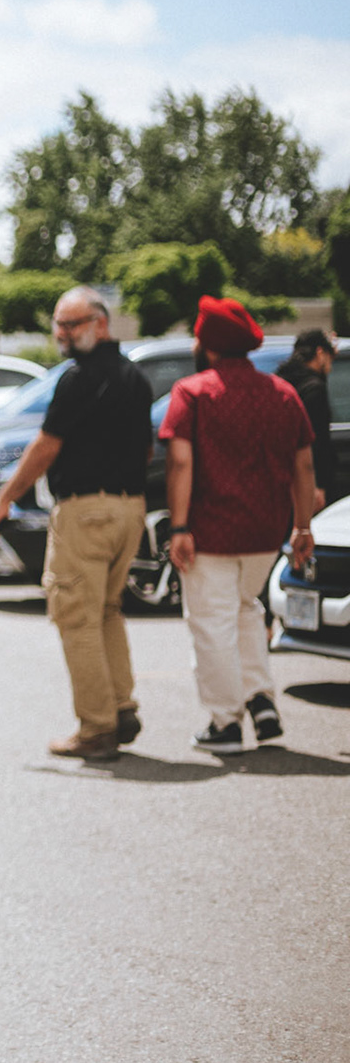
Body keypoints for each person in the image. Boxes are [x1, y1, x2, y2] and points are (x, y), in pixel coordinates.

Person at [0, 287, 154, 761]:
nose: (63, 334)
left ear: (101, 324)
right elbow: (146, 448)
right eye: (59, 324)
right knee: (107, 610)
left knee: (76, 615)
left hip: (86, 511)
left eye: (72, 324)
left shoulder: (78, 379)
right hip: (129, 509)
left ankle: (97, 729)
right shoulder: (135, 378)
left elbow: (46, 446)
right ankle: (120, 707)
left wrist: (2, 503)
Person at [161, 296, 315, 754]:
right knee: (247, 608)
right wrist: (302, 526)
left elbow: (180, 463)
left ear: (207, 344)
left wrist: (178, 527)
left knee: (212, 623)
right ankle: (261, 701)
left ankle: (225, 721)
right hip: (266, 532)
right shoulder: (282, 393)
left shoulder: (192, 392)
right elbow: (304, 465)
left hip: (209, 531)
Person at [275, 328, 337, 511]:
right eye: (330, 358)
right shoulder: (314, 388)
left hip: (278, 473)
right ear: (320, 353)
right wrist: (319, 485)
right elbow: (317, 439)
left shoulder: (280, 382)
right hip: (306, 476)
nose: (331, 366)